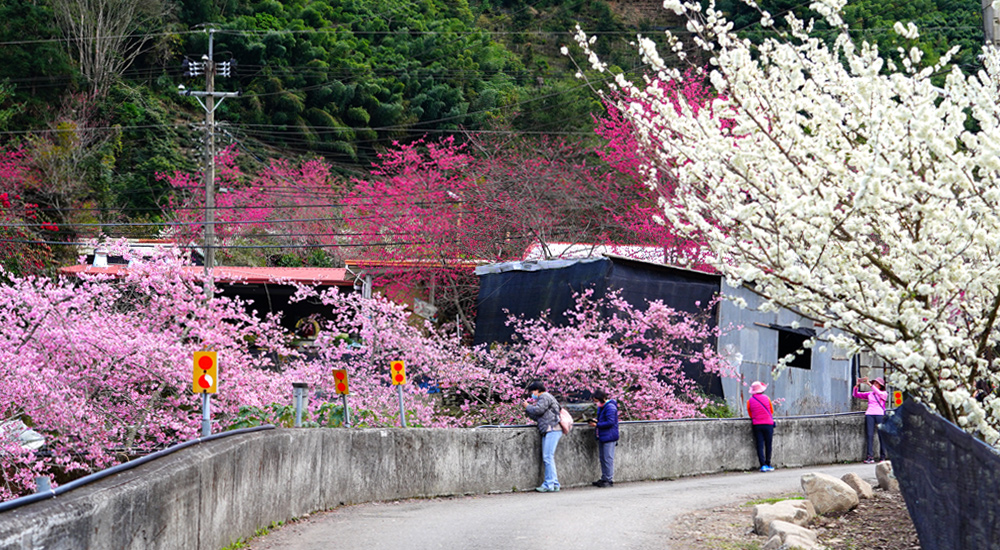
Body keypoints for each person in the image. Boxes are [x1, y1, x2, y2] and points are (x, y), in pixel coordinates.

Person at [524, 381, 562, 492]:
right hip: (549, 429)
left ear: (537, 390)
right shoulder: (546, 398)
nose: (532, 395)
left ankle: (548, 484)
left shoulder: (544, 396)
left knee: (547, 457)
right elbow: (538, 416)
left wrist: (528, 406)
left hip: (552, 429)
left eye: (532, 392)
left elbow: (538, 410)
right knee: (549, 457)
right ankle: (554, 483)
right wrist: (528, 409)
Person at [588, 389, 619, 488]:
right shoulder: (602, 407)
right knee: (603, 458)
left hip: (609, 436)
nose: (596, 402)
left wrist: (597, 424)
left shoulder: (610, 407)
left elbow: (610, 422)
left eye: (596, 400)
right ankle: (604, 477)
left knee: (607, 458)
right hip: (603, 436)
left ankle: (608, 479)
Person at [853, 376, 888, 463]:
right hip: (870, 414)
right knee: (869, 435)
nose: (875, 385)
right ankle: (870, 457)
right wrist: (857, 386)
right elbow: (856, 395)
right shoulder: (870, 394)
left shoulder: (884, 394)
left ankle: (882, 457)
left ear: (880, 386)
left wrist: (869, 384)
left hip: (880, 414)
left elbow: (879, 394)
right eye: (874, 383)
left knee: (881, 436)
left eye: (877, 384)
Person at [746, 381, 775, 472]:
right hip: (768, 424)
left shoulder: (749, 401)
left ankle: (762, 465)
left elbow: (750, 414)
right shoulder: (767, 398)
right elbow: (771, 411)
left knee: (759, 444)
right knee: (768, 444)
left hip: (757, 425)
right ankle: (768, 463)